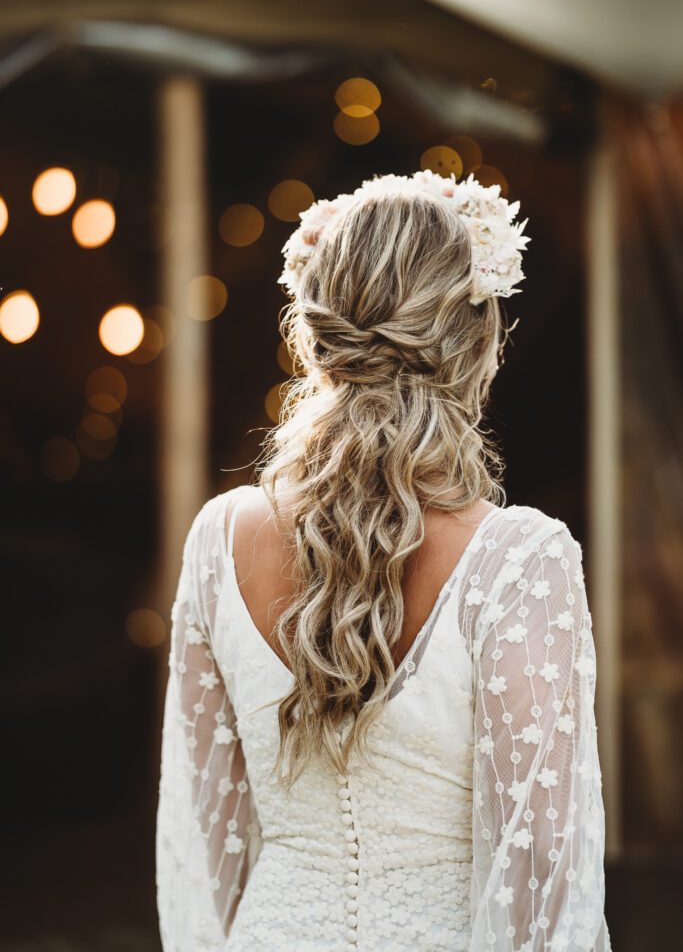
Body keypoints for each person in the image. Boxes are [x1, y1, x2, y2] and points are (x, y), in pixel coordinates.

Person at [155, 170, 612, 951]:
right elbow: (540, 856)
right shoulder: (520, 561)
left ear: (314, 337)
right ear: (478, 343)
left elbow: (203, 833)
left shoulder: (216, 539)